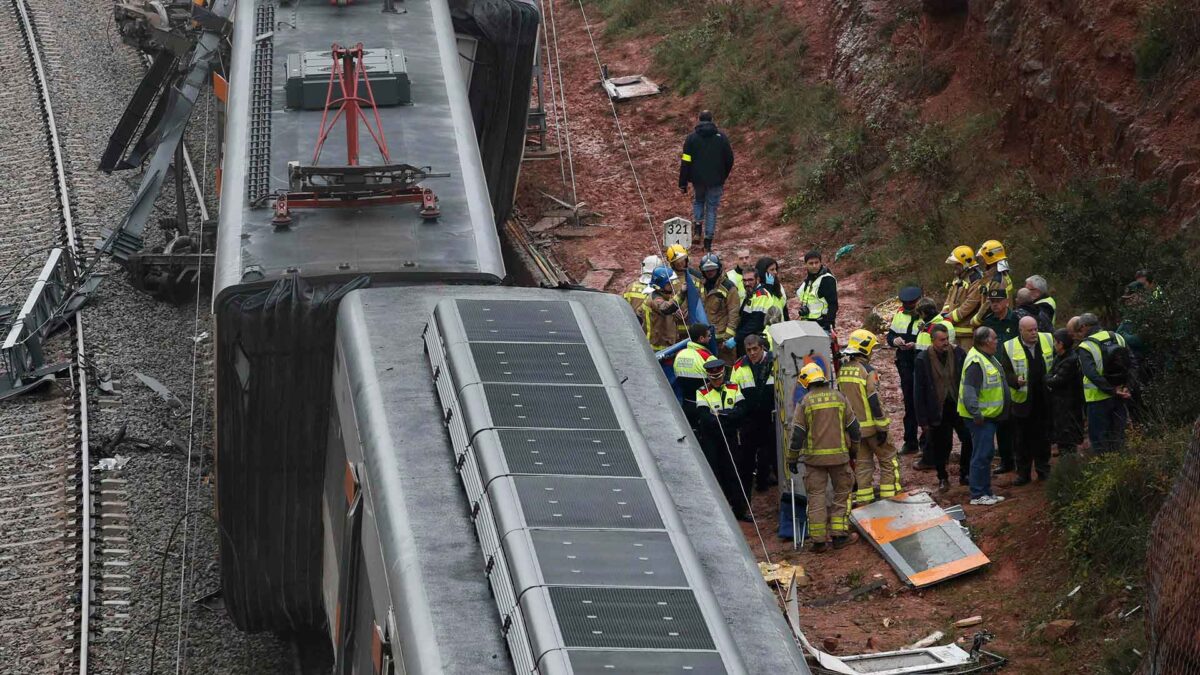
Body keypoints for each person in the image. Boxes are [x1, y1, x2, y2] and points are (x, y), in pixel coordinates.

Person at [788, 363, 861, 552]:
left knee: (816, 499)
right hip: (840, 458)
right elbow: (854, 428)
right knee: (841, 496)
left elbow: (797, 434)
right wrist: (854, 451)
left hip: (814, 461)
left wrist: (792, 458)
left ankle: (819, 541)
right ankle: (839, 536)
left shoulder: (805, 402)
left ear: (805, 382)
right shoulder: (840, 398)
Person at [839, 330, 899, 505]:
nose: (872, 353)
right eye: (872, 349)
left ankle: (865, 503)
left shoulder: (843, 370)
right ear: (865, 349)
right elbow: (874, 401)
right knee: (888, 460)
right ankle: (892, 498)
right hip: (872, 428)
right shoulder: (868, 371)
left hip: (855, 431)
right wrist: (882, 428)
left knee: (863, 465)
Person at [998, 316, 1055, 485]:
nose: (1034, 333)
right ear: (1021, 330)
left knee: (1043, 438)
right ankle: (1023, 473)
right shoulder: (1009, 347)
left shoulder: (1048, 339)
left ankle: (1043, 470)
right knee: (1021, 440)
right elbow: (1005, 373)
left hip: (1044, 399)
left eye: (1036, 329)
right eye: (1030, 330)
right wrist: (1015, 381)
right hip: (1022, 402)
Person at [958, 326, 1009, 506]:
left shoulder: (986, 357)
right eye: (995, 338)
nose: (997, 341)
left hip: (988, 417)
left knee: (985, 454)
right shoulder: (976, 362)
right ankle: (978, 494)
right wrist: (976, 413)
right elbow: (969, 392)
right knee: (981, 455)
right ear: (986, 341)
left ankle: (986, 492)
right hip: (980, 418)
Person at [696, 359, 752, 521]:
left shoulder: (733, 387)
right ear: (708, 377)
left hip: (729, 436)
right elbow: (704, 416)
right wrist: (727, 416)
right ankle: (717, 512)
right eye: (713, 378)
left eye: (718, 377)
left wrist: (722, 416)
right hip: (712, 439)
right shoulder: (702, 391)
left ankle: (739, 510)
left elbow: (742, 410)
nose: (716, 380)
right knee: (715, 473)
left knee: (733, 471)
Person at [914, 323, 968, 492]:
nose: (946, 343)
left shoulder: (958, 353)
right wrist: (922, 419)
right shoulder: (923, 359)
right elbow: (919, 391)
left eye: (947, 339)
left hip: (958, 406)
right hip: (937, 409)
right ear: (933, 341)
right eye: (942, 340)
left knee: (968, 439)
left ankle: (965, 474)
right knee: (941, 445)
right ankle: (942, 477)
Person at [678, 110, 734, 252]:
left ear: (698, 120)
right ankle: (708, 241)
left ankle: (697, 229)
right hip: (716, 179)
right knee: (712, 209)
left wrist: (683, 182)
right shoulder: (721, 137)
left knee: (698, 201)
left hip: (698, 179)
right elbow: (729, 159)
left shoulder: (691, 138)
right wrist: (723, 175)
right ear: (712, 119)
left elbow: (686, 161)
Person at [1077, 313, 1132, 454]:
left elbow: (1091, 374)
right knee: (1118, 436)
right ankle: (1121, 467)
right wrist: (1126, 387)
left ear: (1084, 327)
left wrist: (1110, 390)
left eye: (1080, 329)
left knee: (1099, 439)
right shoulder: (1118, 337)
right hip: (1120, 395)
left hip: (1097, 399)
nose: (1080, 332)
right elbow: (1131, 362)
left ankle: (1104, 470)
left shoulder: (1086, 346)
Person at [730, 334, 777, 491]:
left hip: (771, 417)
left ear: (762, 347)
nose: (752, 353)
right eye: (748, 350)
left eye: (755, 349)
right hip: (749, 419)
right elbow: (733, 391)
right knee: (746, 458)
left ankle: (764, 482)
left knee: (770, 454)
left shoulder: (775, 362)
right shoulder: (739, 367)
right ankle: (747, 492)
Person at [887, 286, 923, 455]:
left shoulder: (926, 316)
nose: (909, 307)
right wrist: (895, 341)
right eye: (906, 305)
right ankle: (910, 442)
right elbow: (890, 336)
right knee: (909, 403)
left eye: (912, 304)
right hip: (905, 363)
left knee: (923, 403)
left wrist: (916, 345)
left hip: (922, 363)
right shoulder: (900, 315)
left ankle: (926, 442)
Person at [1045, 328, 1085, 455]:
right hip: (1061, 405)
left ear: (1061, 344)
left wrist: (1048, 378)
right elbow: (1051, 375)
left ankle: (1069, 469)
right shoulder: (1060, 357)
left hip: (1068, 406)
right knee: (1062, 438)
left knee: (1068, 439)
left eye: (1055, 342)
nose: (1053, 345)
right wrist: (1050, 377)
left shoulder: (1070, 360)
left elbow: (1054, 380)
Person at [674, 323, 719, 432]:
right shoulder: (708, 358)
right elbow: (718, 382)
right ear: (701, 338)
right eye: (709, 336)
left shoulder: (680, 354)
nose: (710, 338)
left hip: (685, 405)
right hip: (704, 408)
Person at [737, 257, 787, 351]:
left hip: (768, 336)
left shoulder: (767, 292)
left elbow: (755, 322)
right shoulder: (752, 292)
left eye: (775, 269)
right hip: (757, 337)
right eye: (772, 269)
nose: (775, 272)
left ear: (757, 279)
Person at [698, 253, 741, 363]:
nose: (710, 272)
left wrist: (727, 339)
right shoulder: (700, 285)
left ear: (718, 268)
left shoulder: (729, 287)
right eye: (707, 269)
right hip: (705, 340)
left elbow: (734, 314)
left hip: (722, 343)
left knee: (726, 372)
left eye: (713, 268)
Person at [941, 245, 984, 350]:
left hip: (968, 333)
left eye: (957, 264)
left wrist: (950, 318)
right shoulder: (958, 277)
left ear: (966, 263)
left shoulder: (976, 280)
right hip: (953, 330)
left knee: (966, 361)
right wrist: (943, 313)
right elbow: (949, 298)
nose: (955, 267)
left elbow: (970, 304)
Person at [972, 240, 1014, 326]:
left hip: (997, 323)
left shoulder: (996, 280)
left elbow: (990, 304)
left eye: (983, 258)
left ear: (989, 257)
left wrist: (976, 320)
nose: (981, 261)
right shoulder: (1002, 274)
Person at [796, 251, 838, 331]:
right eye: (811, 263)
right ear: (806, 265)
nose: (814, 266)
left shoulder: (827, 279)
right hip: (807, 323)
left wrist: (829, 323)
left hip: (822, 324)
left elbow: (833, 304)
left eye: (816, 262)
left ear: (820, 263)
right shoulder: (808, 280)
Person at [642, 267, 682, 351]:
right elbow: (666, 309)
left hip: (667, 346)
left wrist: (675, 313)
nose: (672, 285)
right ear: (660, 285)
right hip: (657, 348)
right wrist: (682, 294)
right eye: (668, 283)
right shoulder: (655, 299)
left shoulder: (664, 297)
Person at [623, 254, 663, 321]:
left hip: (632, 329)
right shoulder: (661, 289)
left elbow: (622, 309)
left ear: (643, 267)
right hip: (652, 329)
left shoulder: (630, 287)